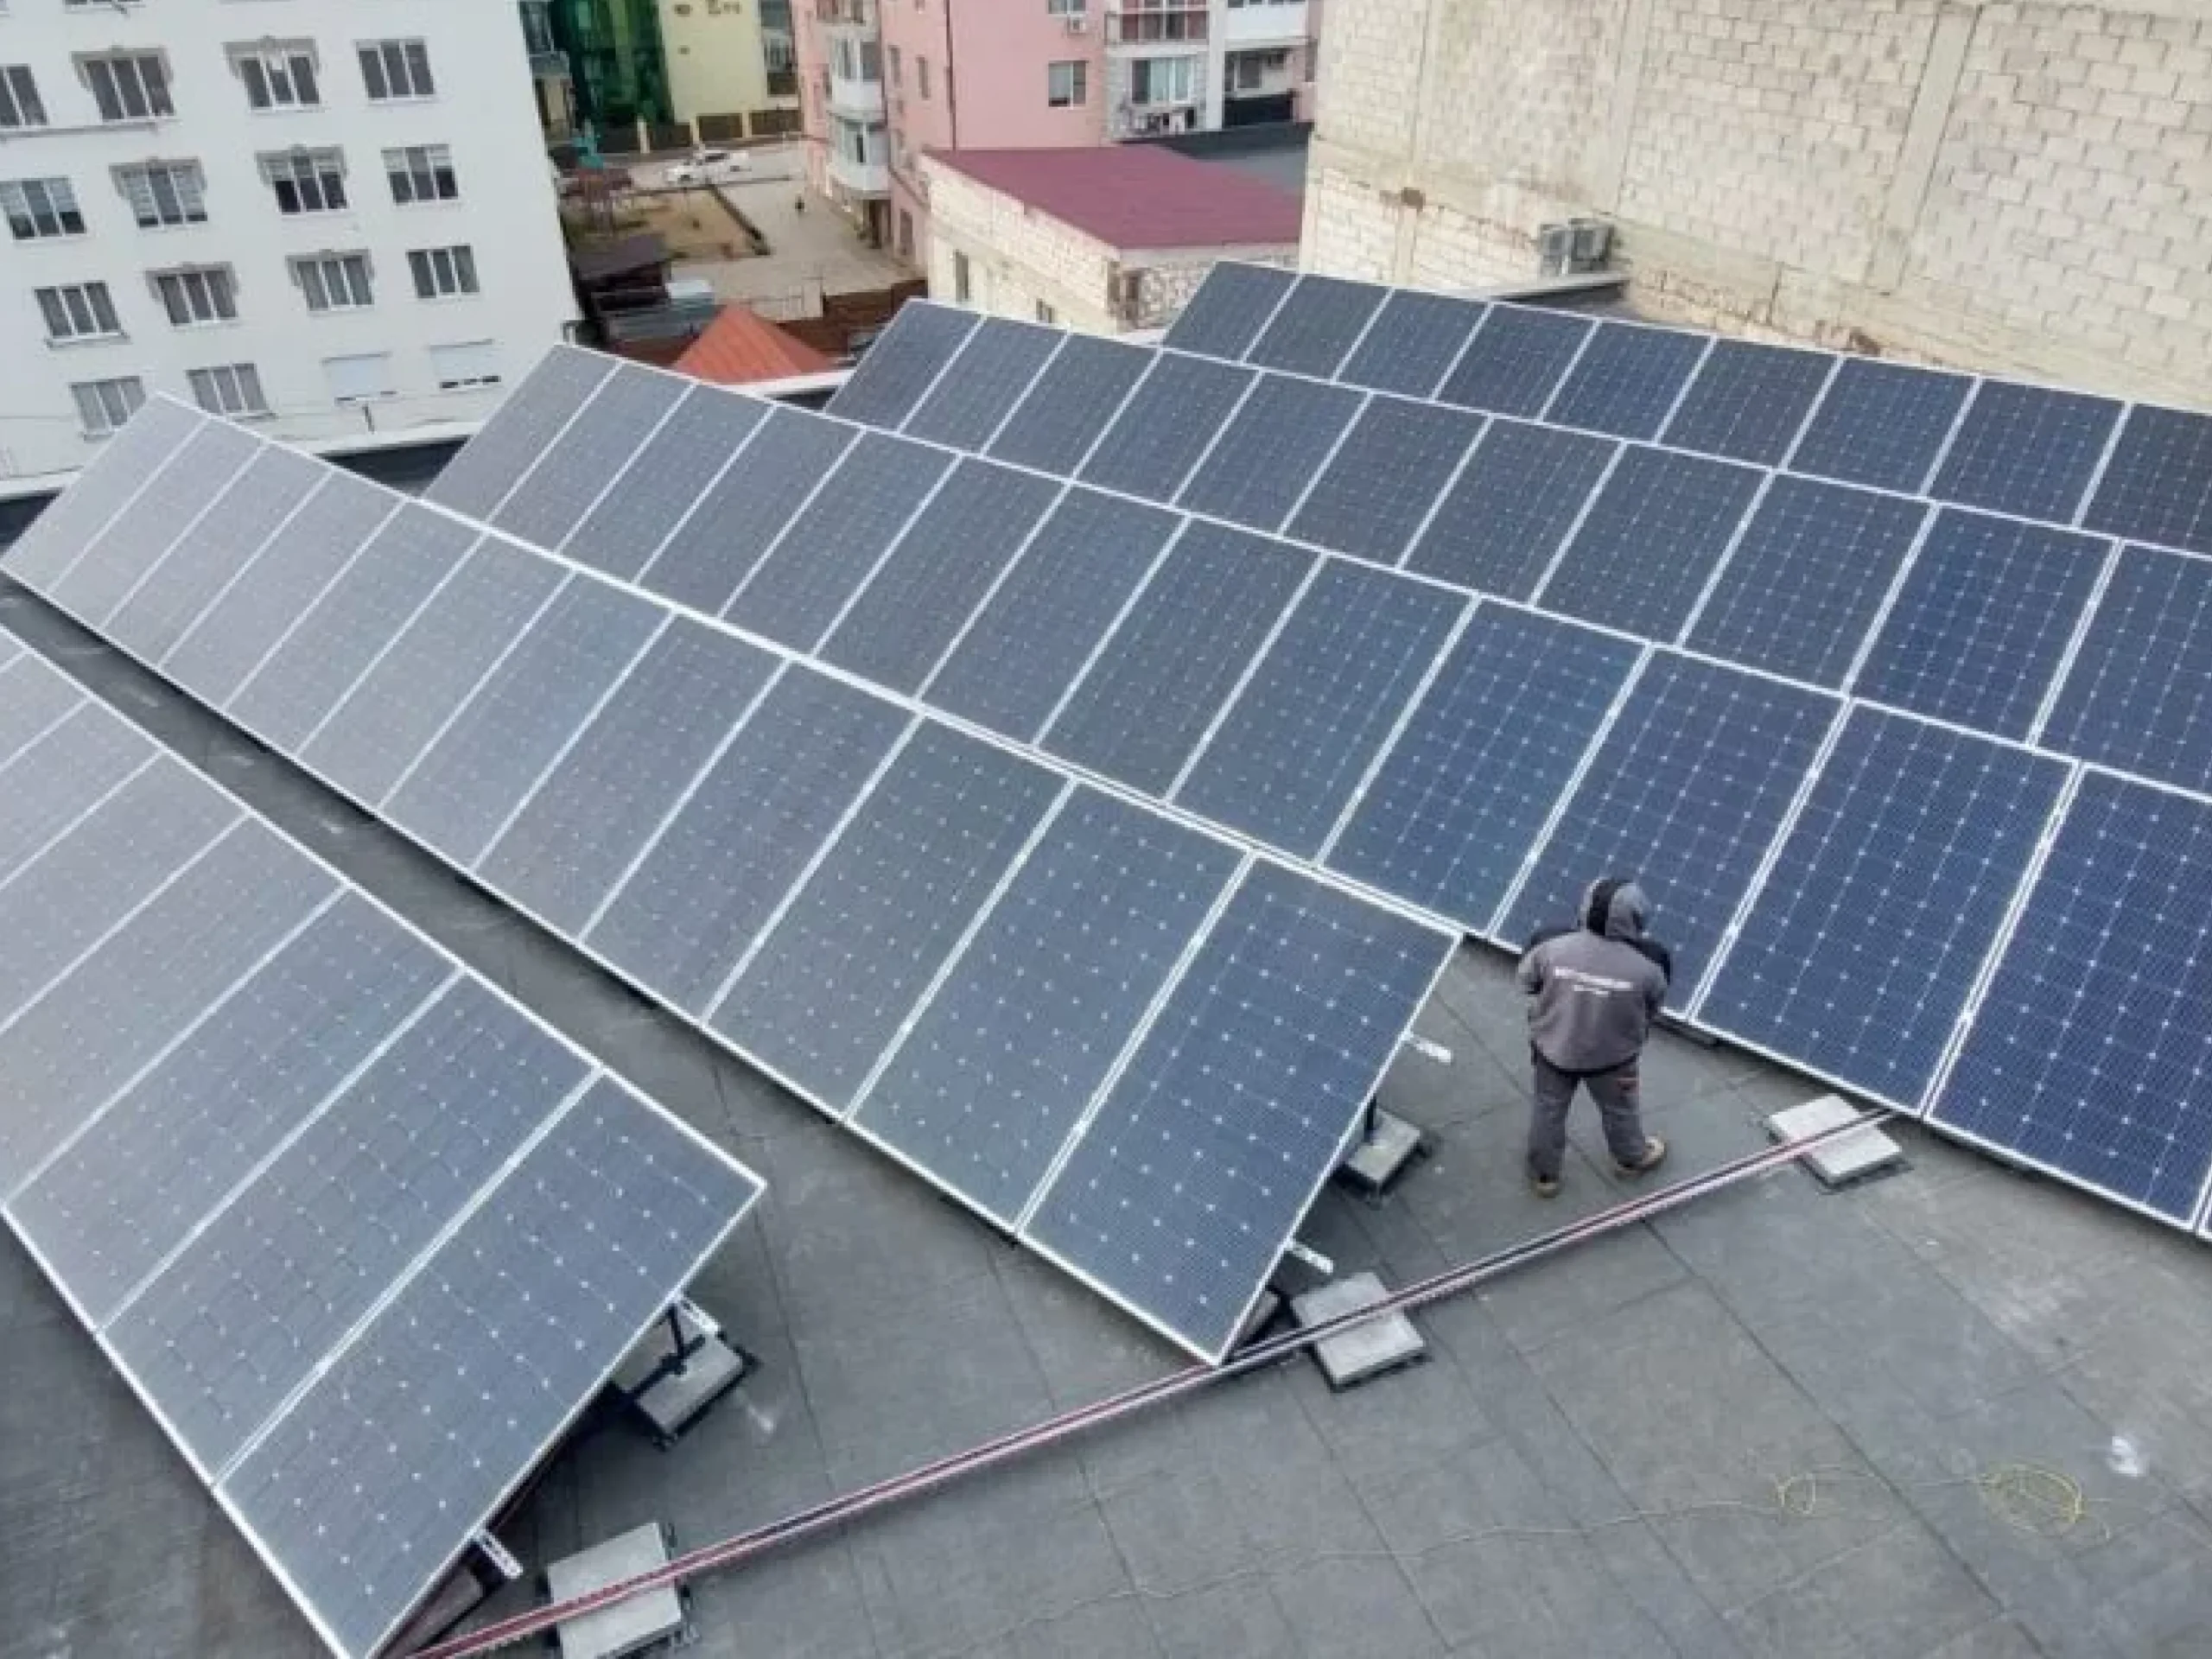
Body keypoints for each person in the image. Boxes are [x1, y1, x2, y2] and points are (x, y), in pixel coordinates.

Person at [1515, 876, 1671, 1198]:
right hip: (1614, 1057)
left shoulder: (1549, 944)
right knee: (1620, 1110)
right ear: (1637, 916)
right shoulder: (1651, 962)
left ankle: (1544, 1176)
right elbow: (1654, 1004)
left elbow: (1526, 982)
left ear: (1585, 907)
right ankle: (1631, 1158)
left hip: (1553, 1048)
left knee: (1547, 1110)